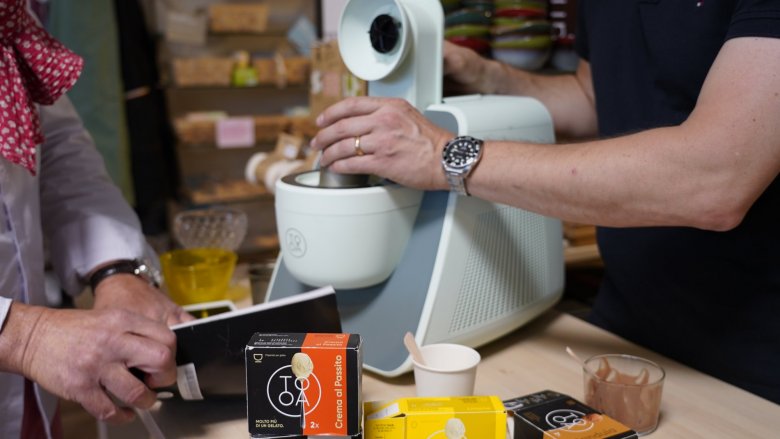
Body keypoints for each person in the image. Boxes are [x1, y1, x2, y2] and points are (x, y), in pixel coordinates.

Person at [310, 1, 780, 404]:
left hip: (753, 361)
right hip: (619, 331)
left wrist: (444, 155)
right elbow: (593, 100)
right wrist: (486, 74)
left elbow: (718, 178)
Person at [0, 2, 192, 437]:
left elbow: (58, 143)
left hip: (30, 399)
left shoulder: (12, 15)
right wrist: (22, 337)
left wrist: (115, 271)